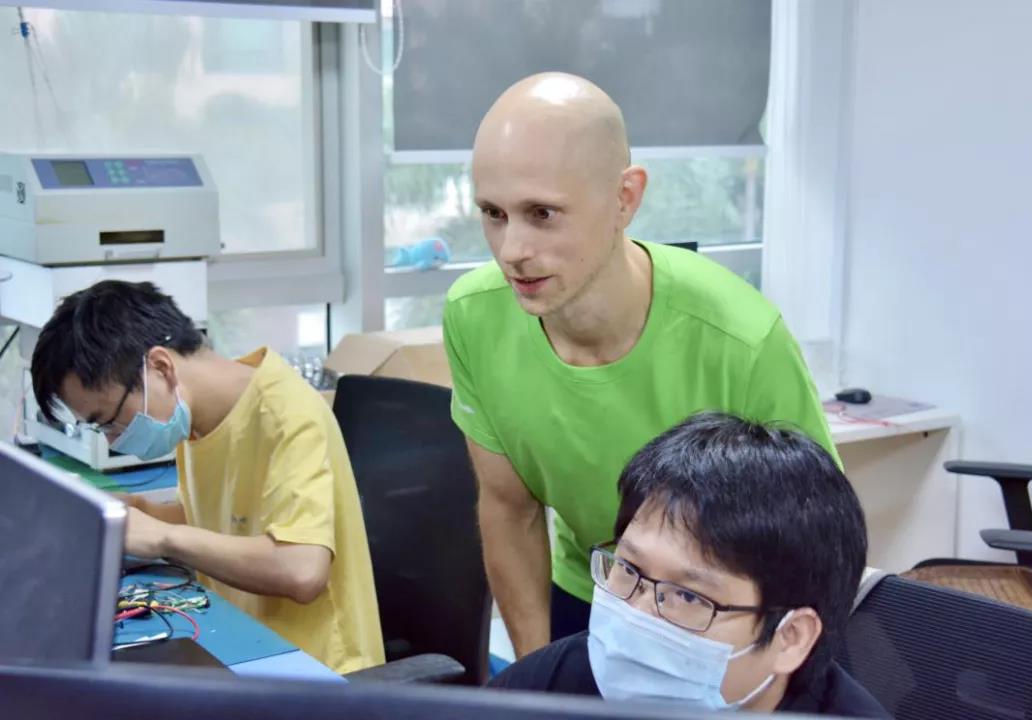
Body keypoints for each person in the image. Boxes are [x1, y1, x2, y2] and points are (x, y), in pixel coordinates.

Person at [443, 72, 837, 658]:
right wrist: (535, 682)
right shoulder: (473, 317)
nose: (512, 250)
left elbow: (816, 546)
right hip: (593, 591)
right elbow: (509, 510)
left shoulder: (742, 338)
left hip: (719, 621)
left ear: (625, 198)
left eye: (542, 213)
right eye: (493, 214)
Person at [30, 280, 384, 674]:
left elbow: (301, 569)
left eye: (108, 420)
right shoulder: (199, 417)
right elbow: (229, 518)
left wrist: (163, 536)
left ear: (161, 367)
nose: (112, 441)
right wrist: (135, 510)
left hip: (317, 668)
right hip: (242, 637)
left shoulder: (286, 416)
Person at [490, 412, 888, 718]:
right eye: (629, 569)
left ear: (791, 637)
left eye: (687, 596)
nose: (636, 617)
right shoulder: (560, 681)